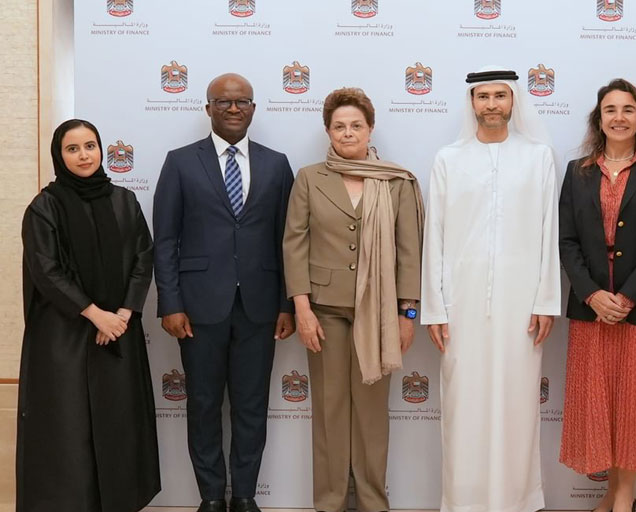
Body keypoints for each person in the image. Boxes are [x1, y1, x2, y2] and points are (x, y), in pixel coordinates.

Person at [420, 66, 560, 512]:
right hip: (460, 304)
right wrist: (435, 307)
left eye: (501, 95)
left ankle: (517, 501)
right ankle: (463, 502)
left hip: (521, 306)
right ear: (472, 102)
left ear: (514, 100)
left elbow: (549, 233)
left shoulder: (538, 157)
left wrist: (545, 301)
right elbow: (434, 236)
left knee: (517, 405)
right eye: (484, 96)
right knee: (463, 407)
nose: (492, 104)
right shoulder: (448, 159)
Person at [153, 73, 295, 512]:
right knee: (203, 404)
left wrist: (287, 303)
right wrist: (170, 302)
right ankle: (212, 496)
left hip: (260, 307)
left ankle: (245, 495)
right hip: (197, 308)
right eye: (224, 102)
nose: (234, 109)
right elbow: (165, 240)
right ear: (208, 108)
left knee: (252, 406)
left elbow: (289, 241)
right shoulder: (180, 162)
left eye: (242, 102)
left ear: (253, 109)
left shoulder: (277, 164)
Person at [283, 87, 423, 512]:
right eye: (339, 126)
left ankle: (372, 501)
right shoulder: (310, 177)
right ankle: (328, 502)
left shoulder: (396, 181)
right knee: (329, 411)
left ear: (370, 128)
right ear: (328, 131)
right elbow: (294, 244)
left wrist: (407, 313)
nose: (348, 132)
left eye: (356, 125)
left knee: (371, 414)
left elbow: (409, 251)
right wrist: (302, 308)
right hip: (323, 311)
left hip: (379, 314)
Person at [16, 119, 160, 512]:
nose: (84, 155)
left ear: (101, 149)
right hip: (66, 336)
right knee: (69, 428)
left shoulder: (124, 201)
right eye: (73, 148)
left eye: (90, 146)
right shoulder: (44, 207)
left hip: (119, 332)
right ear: (59, 155)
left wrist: (123, 314)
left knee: (120, 424)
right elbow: (46, 271)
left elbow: (143, 257)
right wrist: (97, 315)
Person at [558, 78, 636, 512]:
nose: (619, 117)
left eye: (628, 109)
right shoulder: (577, 172)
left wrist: (626, 298)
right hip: (591, 311)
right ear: (599, 119)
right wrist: (592, 295)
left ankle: (625, 498)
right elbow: (567, 241)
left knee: (635, 408)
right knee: (601, 406)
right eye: (610, 110)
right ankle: (611, 493)